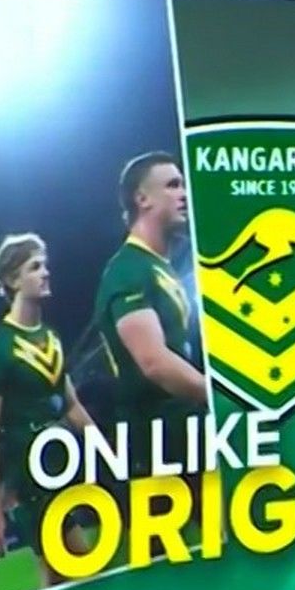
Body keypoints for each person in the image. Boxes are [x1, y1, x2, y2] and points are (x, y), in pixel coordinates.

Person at [0, 234, 97, 586]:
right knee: (73, 570)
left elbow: (72, 406)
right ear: (13, 280)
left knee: (68, 575)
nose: (46, 273)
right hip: (31, 479)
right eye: (35, 267)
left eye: (45, 265)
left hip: (61, 467)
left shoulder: (51, 338)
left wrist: (108, 451)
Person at [89, 152, 206, 474]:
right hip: (157, 443)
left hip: (184, 435)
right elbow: (154, 362)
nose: (184, 194)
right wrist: (221, 399)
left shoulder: (160, 267)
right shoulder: (127, 270)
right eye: (172, 185)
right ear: (142, 199)